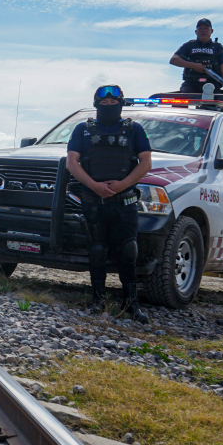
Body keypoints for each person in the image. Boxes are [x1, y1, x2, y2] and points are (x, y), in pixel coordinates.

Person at [65, 84, 153, 322]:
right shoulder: (82, 129)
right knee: (97, 250)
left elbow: (145, 163)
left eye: (114, 103)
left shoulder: (135, 130)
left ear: (121, 104)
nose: (109, 106)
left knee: (128, 250)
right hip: (93, 201)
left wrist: (122, 185)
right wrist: (94, 186)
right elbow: (72, 163)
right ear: (96, 104)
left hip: (124, 201)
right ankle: (98, 300)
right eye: (104, 103)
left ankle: (131, 304)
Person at [170, 18, 223, 94]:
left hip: (212, 84)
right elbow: (174, 60)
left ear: (211, 31)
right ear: (196, 31)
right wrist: (193, 65)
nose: (203, 31)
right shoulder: (189, 45)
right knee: (181, 100)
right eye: (200, 29)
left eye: (206, 28)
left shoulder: (218, 47)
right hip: (191, 83)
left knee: (215, 102)